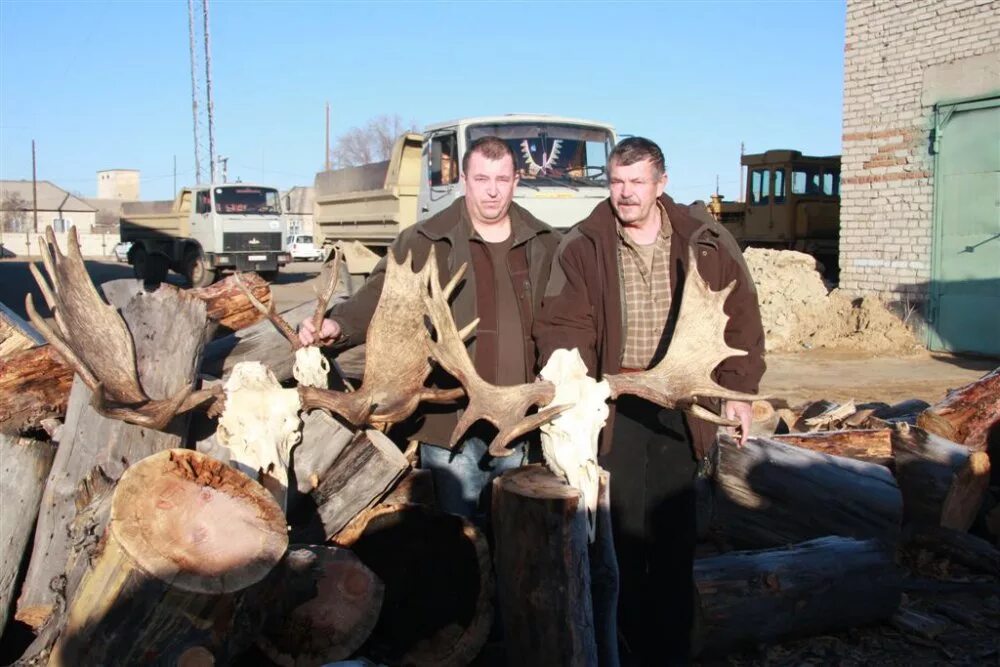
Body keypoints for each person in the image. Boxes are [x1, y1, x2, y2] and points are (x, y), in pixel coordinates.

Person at [534, 137, 765, 664]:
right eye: (617, 182)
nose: (626, 194)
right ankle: (625, 649)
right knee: (619, 541)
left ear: (661, 185)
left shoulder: (705, 240)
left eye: (637, 182)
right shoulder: (584, 245)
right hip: (614, 409)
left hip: (681, 410)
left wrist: (740, 391)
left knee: (673, 537)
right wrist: (572, 387)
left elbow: (743, 320)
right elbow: (562, 326)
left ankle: (671, 652)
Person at [299, 136, 561, 525]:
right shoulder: (426, 241)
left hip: (516, 421)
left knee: (517, 540)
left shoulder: (543, 243)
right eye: (481, 178)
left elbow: (560, 318)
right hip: (448, 422)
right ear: (464, 181)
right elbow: (380, 297)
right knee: (457, 541)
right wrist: (340, 324)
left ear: (516, 181)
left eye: (502, 179)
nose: (492, 190)